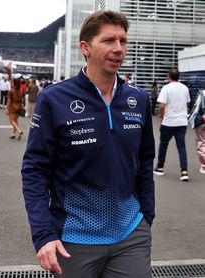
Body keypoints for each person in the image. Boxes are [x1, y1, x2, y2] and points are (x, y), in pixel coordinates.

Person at [22, 10, 155, 278]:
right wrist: (43, 234)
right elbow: (34, 169)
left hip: (130, 235)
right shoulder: (54, 99)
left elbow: (144, 160)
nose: (119, 49)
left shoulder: (138, 99)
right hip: (73, 239)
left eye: (123, 41)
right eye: (108, 41)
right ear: (85, 47)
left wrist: (146, 215)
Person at [154, 67, 191, 181]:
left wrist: (162, 116)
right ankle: (184, 172)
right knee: (181, 146)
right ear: (178, 77)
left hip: (169, 122)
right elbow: (187, 104)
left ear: (169, 77)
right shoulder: (185, 88)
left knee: (163, 144)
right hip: (182, 122)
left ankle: (160, 167)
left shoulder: (166, 88)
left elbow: (161, 106)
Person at [188, 89, 205, 174]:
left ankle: (204, 166)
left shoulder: (202, 94)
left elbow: (196, 107)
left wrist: (191, 118)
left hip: (203, 120)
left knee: (201, 142)